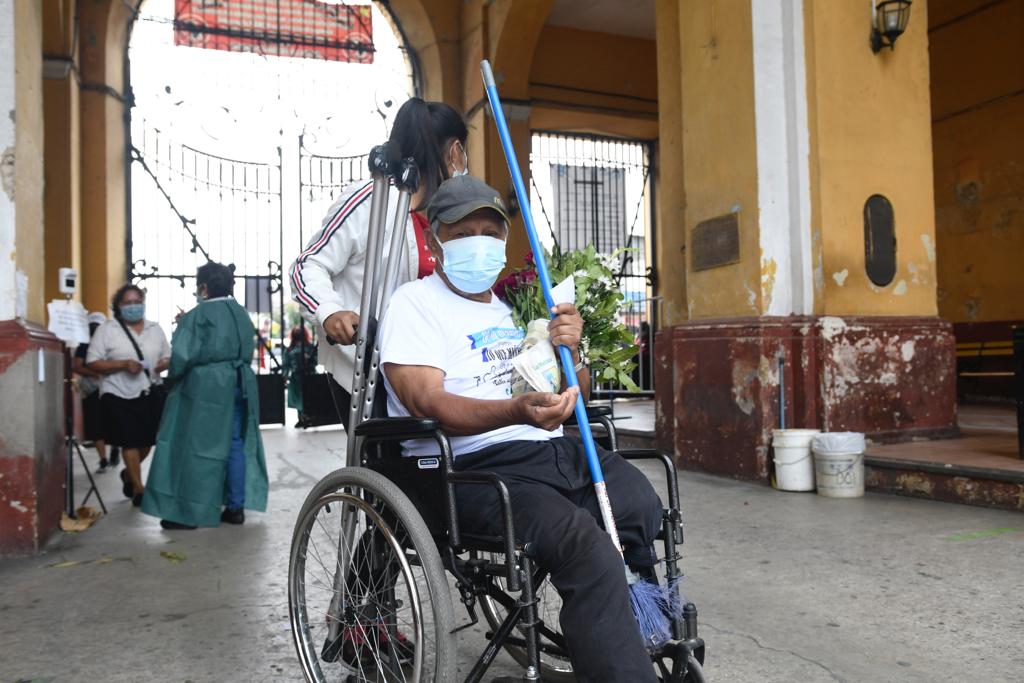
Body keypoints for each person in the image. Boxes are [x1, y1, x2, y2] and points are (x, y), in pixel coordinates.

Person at [379, 176, 663, 682]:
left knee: (640, 505)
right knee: (584, 548)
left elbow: (572, 390)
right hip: (472, 467)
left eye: (492, 233)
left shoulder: (518, 311)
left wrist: (572, 350)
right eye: (465, 232)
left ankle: (636, 625)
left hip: (550, 450)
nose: (480, 243)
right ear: (435, 239)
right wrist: (515, 411)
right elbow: (425, 399)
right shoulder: (413, 303)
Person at [290, 97, 468, 427]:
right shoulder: (370, 200)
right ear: (455, 151)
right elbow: (307, 266)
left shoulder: (442, 213)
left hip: (426, 365)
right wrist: (330, 312)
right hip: (368, 368)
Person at [141, 262, 269, 530]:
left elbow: (182, 356)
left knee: (198, 446)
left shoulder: (198, 316)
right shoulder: (240, 313)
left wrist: (172, 375)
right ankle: (235, 508)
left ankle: (191, 512)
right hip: (239, 382)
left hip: (206, 387)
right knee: (234, 444)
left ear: (203, 287)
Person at [86, 285, 170, 507]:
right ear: (119, 306)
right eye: (128, 302)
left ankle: (128, 475)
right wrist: (122, 364)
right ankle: (139, 489)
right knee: (129, 440)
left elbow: (167, 357)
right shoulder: (107, 330)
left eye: (137, 301)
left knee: (147, 441)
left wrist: (163, 365)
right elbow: (92, 361)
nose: (133, 306)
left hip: (149, 390)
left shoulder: (155, 329)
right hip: (118, 392)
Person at [74, 312, 120, 472]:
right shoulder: (85, 344)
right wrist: (96, 373)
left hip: (109, 388)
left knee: (110, 421)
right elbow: (77, 366)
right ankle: (104, 459)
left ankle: (113, 450)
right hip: (96, 389)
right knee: (96, 424)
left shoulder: (108, 343)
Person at [283, 325, 317, 427]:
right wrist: (285, 376)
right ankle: (301, 418)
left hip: (309, 376)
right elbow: (286, 364)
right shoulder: (290, 349)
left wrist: (309, 360)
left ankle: (309, 417)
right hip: (296, 378)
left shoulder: (310, 347)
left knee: (309, 397)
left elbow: (316, 359)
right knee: (298, 399)